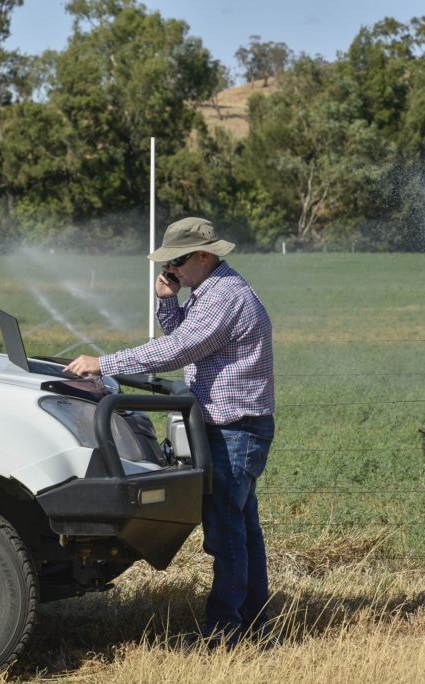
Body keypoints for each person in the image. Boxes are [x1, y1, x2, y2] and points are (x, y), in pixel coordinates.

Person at [65, 216, 275, 646]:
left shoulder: (225, 298)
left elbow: (178, 349)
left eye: (176, 261)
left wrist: (104, 363)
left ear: (203, 255)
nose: (171, 269)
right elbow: (187, 337)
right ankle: (254, 624)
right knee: (242, 531)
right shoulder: (209, 292)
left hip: (233, 430)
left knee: (226, 536)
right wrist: (167, 301)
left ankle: (225, 632)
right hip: (231, 427)